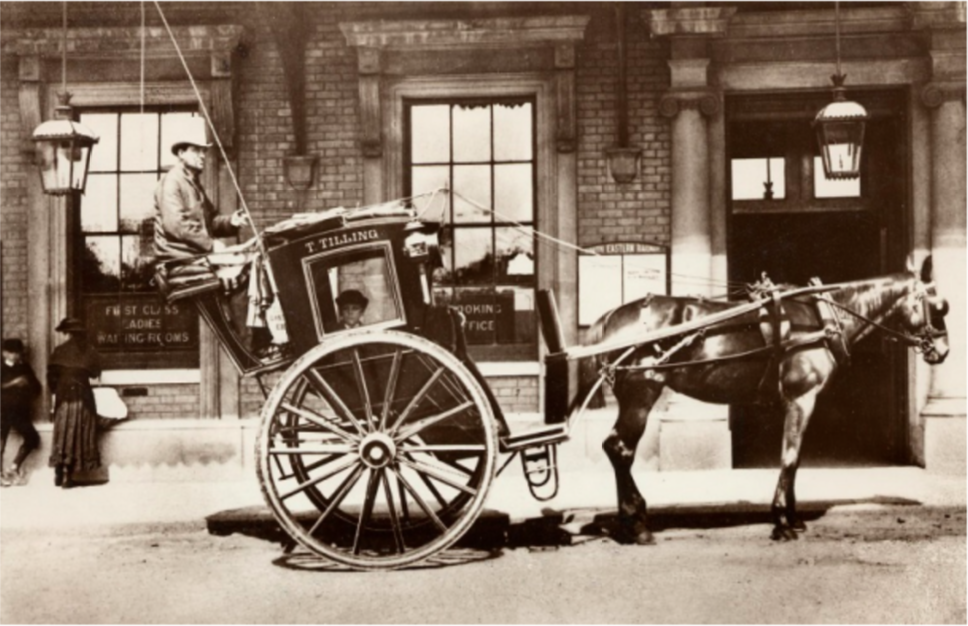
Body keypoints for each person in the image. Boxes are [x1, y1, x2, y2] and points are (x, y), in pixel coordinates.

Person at [153, 116, 247, 265]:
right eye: (196, 150)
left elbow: (211, 222)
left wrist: (231, 222)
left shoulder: (194, 184)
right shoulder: (171, 182)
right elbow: (176, 225)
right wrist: (210, 245)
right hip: (179, 258)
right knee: (238, 265)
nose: (203, 155)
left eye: (203, 150)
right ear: (181, 153)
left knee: (246, 263)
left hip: (195, 255)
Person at [47, 317, 103, 489]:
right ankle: (69, 474)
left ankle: (60, 468)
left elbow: (51, 378)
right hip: (82, 396)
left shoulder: (59, 350)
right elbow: (94, 374)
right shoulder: (90, 350)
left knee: (63, 431)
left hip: (64, 396)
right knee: (80, 430)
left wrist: (56, 392)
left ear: (67, 333)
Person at [1, 338, 41, 487]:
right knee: (1, 442)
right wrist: (14, 383)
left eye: (17, 352)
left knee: (32, 438)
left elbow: (37, 387)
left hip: (19, 411)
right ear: (4, 353)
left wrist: (27, 387)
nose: (15, 355)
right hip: (2, 410)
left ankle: (14, 467)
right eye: (12, 353)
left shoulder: (25, 367)